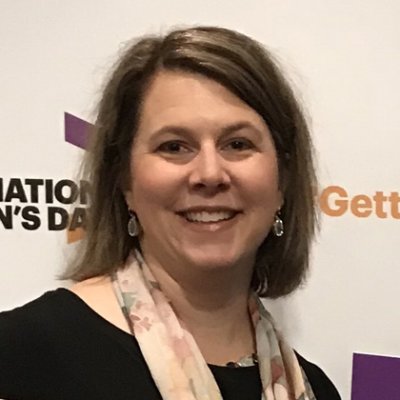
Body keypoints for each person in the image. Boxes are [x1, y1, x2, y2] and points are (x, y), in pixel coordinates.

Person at [0, 26, 341, 399]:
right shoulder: (21, 354)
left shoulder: (313, 389)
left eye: (237, 144)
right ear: (124, 179)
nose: (209, 174)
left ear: (283, 178)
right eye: (174, 146)